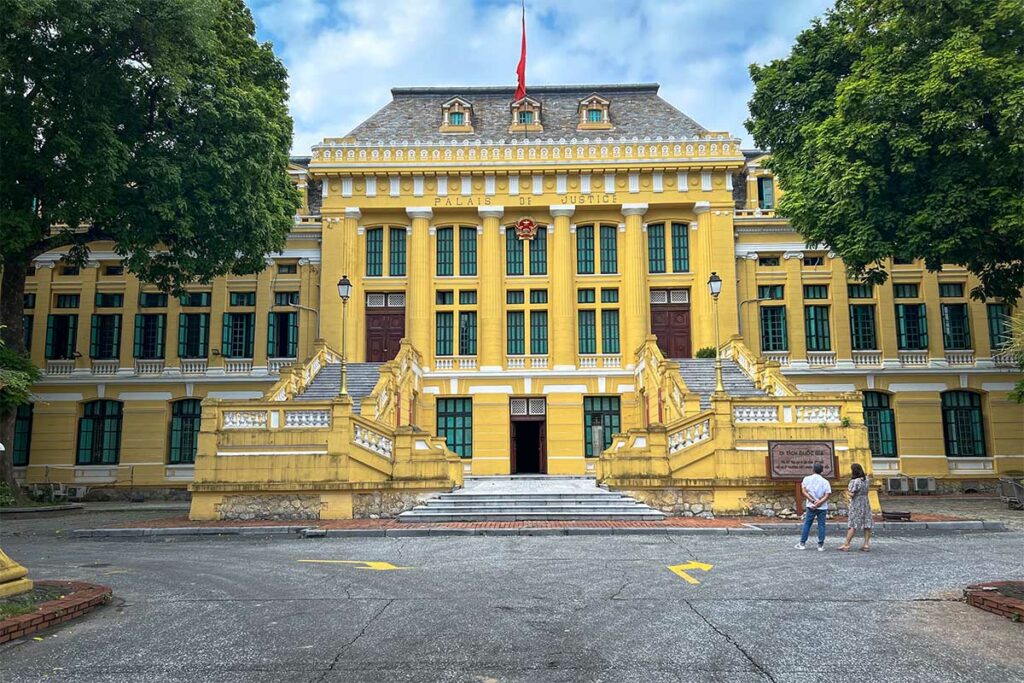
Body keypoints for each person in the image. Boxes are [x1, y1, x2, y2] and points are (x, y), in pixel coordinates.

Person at [795, 462, 831, 551]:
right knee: (821, 525)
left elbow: (804, 491)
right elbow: (827, 495)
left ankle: (802, 543)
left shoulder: (806, 479)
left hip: (810, 505)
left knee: (807, 524)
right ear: (822, 471)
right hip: (822, 506)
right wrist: (819, 503)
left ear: (813, 470)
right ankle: (820, 545)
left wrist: (812, 501)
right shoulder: (825, 481)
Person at [839, 463, 873, 552]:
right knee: (867, 523)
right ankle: (866, 544)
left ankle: (846, 544)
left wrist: (846, 492)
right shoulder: (866, 480)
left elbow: (852, 494)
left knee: (853, 524)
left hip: (856, 503)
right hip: (865, 502)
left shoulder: (855, 481)